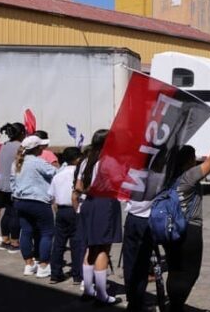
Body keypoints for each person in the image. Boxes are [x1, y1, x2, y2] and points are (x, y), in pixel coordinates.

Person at [161, 120, 210, 312]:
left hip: (170, 227)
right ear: (189, 161)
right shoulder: (189, 176)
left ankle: (174, 304)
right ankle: (176, 305)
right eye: (194, 158)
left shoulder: (167, 178)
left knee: (174, 269)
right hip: (189, 229)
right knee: (190, 272)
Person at [75, 129, 122, 305]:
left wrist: (88, 191)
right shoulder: (109, 161)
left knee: (91, 247)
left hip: (89, 203)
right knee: (103, 248)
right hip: (105, 203)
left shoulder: (86, 160)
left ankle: (88, 289)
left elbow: (78, 185)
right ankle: (101, 294)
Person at [11, 134, 56, 278]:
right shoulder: (38, 162)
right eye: (41, 146)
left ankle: (29, 264)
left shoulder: (17, 162)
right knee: (47, 232)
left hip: (20, 200)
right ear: (37, 149)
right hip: (38, 201)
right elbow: (54, 172)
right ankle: (43, 265)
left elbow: (13, 182)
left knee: (26, 231)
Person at [48, 147, 83, 285]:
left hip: (61, 210)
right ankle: (77, 275)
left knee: (58, 243)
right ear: (77, 159)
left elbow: (51, 196)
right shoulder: (79, 174)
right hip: (75, 209)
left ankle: (55, 274)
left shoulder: (58, 175)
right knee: (77, 243)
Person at [0, 122, 25, 253]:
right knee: (15, 213)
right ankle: (14, 242)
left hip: (2, 184)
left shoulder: (5, 145)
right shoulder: (20, 147)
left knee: (7, 212)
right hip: (14, 184)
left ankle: (5, 240)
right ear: (21, 134)